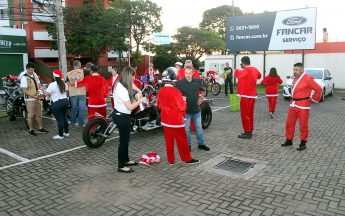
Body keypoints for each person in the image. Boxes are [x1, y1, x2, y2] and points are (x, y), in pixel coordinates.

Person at [157, 67, 200, 165]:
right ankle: (187, 158)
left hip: (165, 119)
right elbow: (182, 108)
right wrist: (183, 100)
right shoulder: (176, 92)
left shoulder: (160, 91)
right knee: (182, 140)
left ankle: (171, 160)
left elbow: (158, 105)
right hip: (175, 120)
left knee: (169, 140)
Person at [112, 66, 147, 173]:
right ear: (128, 76)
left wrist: (138, 90)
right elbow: (131, 107)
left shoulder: (121, 82)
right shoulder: (121, 89)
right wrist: (140, 100)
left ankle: (126, 160)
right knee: (123, 141)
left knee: (126, 140)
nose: (133, 78)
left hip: (123, 115)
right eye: (132, 76)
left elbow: (131, 85)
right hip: (121, 116)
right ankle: (121, 165)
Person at [281, 63, 322, 151]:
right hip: (293, 103)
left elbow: (318, 88)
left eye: (296, 70)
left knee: (303, 125)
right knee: (289, 123)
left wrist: (315, 99)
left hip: (303, 105)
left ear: (301, 70)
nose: (294, 71)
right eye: (294, 70)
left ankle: (303, 142)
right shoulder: (295, 78)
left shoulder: (308, 78)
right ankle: (289, 139)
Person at [175, 66, 210, 152]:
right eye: (186, 73)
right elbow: (175, 95)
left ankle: (201, 144)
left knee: (199, 127)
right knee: (186, 129)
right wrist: (180, 98)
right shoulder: (179, 83)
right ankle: (188, 146)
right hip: (185, 111)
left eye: (189, 73)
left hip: (196, 110)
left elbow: (203, 89)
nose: (187, 75)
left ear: (193, 73)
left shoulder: (197, 81)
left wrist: (201, 97)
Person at [234, 56, 261, 139]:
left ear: (243, 63)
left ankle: (247, 131)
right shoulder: (255, 69)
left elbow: (238, 75)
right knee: (250, 113)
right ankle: (250, 130)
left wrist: (236, 70)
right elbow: (259, 76)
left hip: (246, 95)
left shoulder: (245, 70)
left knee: (245, 114)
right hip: (253, 94)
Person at [20, 62, 48, 136]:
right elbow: (24, 90)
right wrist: (33, 96)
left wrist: (42, 90)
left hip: (37, 98)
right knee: (30, 115)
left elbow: (38, 85)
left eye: (33, 70)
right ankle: (31, 130)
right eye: (31, 70)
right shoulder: (24, 77)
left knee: (39, 114)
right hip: (29, 100)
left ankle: (40, 128)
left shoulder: (35, 75)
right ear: (27, 69)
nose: (32, 72)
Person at [177, 59, 201, 133]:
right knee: (193, 112)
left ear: (184, 65)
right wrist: (200, 96)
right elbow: (198, 84)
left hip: (182, 96)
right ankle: (194, 129)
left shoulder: (180, 72)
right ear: (192, 65)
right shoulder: (195, 71)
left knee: (184, 114)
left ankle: (184, 128)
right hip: (191, 95)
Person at [44, 70, 69, 139]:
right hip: (65, 101)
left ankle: (60, 135)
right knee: (64, 117)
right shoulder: (64, 83)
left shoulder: (52, 84)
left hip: (57, 102)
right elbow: (67, 91)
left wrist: (45, 90)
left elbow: (46, 94)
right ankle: (66, 132)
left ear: (54, 76)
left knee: (59, 119)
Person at [66, 60, 90, 129]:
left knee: (73, 109)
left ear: (73, 66)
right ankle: (80, 124)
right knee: (81, 109)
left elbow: (67, 83)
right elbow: (91, 73)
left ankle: (72, 124)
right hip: (82, 92)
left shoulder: (69, 73)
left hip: (73, 93)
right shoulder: (84, 71)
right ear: (79, 66)